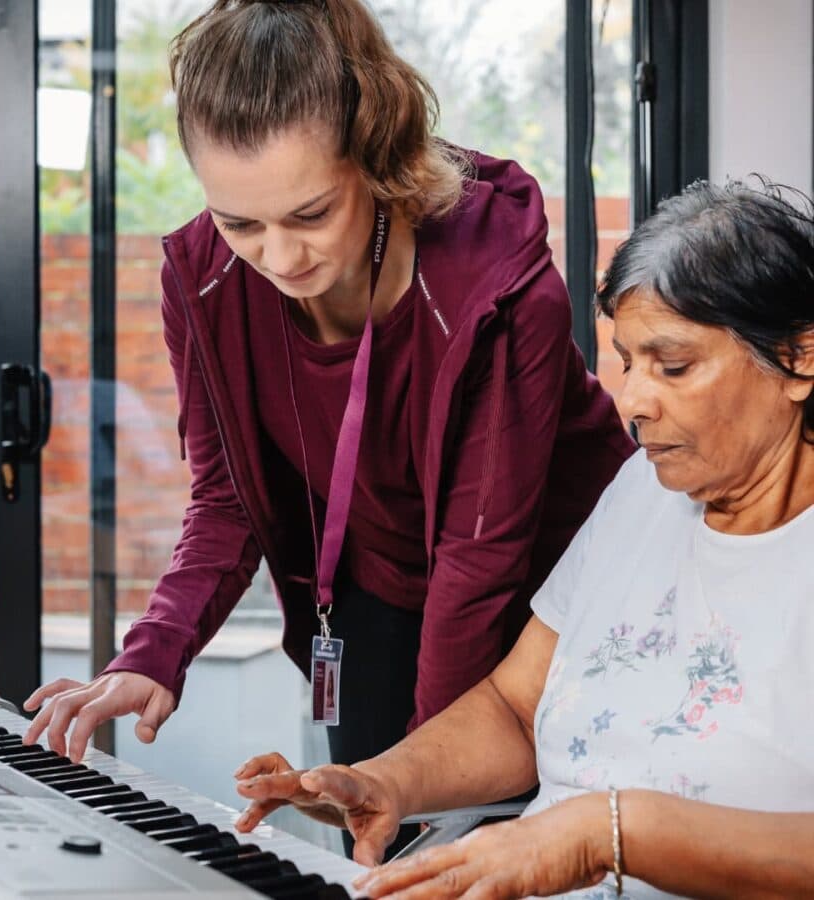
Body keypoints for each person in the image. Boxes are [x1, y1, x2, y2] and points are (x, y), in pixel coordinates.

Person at [22, 0, 632, 856]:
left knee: (490, 849)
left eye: (310, 215)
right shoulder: (203, 280)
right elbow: (227, 495)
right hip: (382, 585)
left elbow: (481, 554)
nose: (278, 257)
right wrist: (149, 655)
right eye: (240, 223)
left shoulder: (499, 286)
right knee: (375, 844)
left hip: (549, 589)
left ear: (378, 159)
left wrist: (419, 781)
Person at [234, 178, 814, 898]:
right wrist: (386, 779)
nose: (632, 401)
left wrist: (606, 833)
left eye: (674, 366)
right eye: (628, 363)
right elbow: (515, 706)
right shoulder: (641, 493)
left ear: (797, 358)